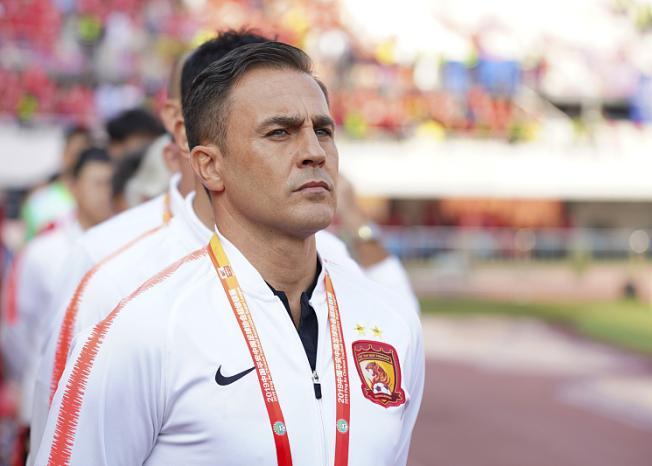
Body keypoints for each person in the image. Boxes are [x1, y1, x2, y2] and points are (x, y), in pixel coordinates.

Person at [36, 41, 423, 465]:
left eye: (323, 130)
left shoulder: (390, 320)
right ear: (209, 166)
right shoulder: (140, 329)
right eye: (279, 132)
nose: (314, 152)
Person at [0, 147, 113, 460]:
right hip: (44, 396)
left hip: (98, 403)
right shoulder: (43, 251)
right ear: (73, 186)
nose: (105, 193)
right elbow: (18, 327)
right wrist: (38, 370)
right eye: (97, 183)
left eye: (110, 183)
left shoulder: (125, 245)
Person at [19, 126, 91, 240]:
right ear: (64, 155)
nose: (80, 161)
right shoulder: (40, 202)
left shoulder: (106, 200)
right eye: (75, 154)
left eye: (86, 155)